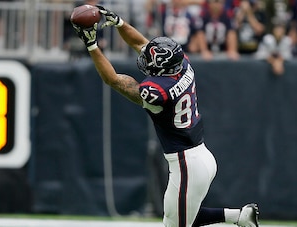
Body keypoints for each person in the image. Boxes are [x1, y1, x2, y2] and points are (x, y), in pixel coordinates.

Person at [71, 5, 259, 227]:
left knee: (176, 222)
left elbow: (113, 80)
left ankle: (238, 218)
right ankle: (239, 217)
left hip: (186, 164)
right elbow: (142, 44)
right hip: (201, 157)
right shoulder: (183, 65)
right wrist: (120, 22)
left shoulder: (157, 91)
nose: (146, 64)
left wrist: (92, 44)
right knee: (180, 217)